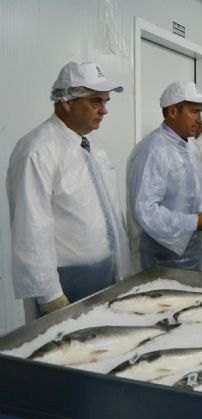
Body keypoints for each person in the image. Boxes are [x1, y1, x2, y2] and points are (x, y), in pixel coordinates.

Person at [6, 61, 132, 317]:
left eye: (106, 102)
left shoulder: (91, 146)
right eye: (96, 101)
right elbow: (32, 227)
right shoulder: (38, 150)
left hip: (106, 272)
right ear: (66, 101)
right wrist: (50, 295)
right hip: (66, 281)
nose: (104, 110)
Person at [127, 81, 202, 272]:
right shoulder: (153, 149)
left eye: (200, 112)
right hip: (163, 259)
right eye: (194, 112)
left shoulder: (189, 146)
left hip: (191, 255)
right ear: (173, 112)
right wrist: (194, 222)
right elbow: (145, 210)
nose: (200, 119)